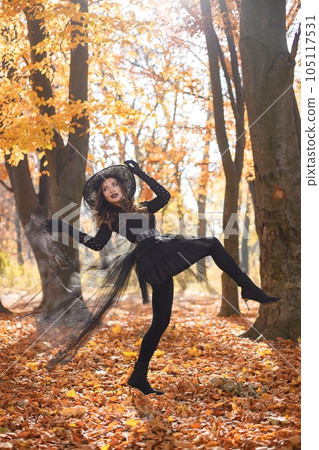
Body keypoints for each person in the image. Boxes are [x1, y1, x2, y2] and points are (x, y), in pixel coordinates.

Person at [45, 160, 280, 395]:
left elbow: (164, 195)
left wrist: (140, 172)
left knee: (161, 322)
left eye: (114, 184)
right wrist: (63, 226)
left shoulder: (143, 208)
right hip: (152, 258)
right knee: (210, 246)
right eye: (105, 189)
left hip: (163, 248)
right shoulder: (110, 220)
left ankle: (138, 376)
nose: (111, 189)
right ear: (103, 197)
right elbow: (96, 244)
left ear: (123, 188)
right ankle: (247, 288)